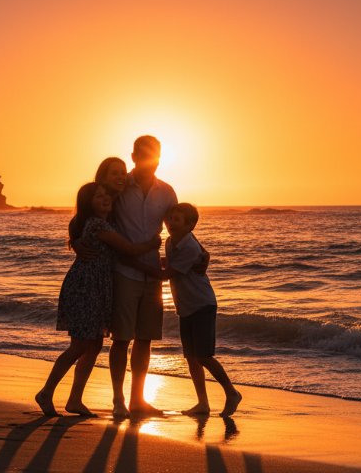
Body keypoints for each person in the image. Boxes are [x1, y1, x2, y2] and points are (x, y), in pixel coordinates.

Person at [35, 182, 160, 417]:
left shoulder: (103, 223)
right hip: (85, 287)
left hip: (98, 287)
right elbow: (129, 250)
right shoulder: (97, 224)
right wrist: (153, 244)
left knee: (94, 345)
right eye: (98, 197)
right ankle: (46, 392)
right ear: (88, 203)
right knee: (80, 345)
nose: (105, 199)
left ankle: (75, 399)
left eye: (106, 195)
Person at [108, 136, 178, 417]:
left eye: (154, 154)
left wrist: (195, 256)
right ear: (134, 156)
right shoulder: (119, 187)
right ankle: (117, 400)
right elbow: (99, 217)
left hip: (152, 274)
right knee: (121, 339)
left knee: (145, 339)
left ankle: (138, 399)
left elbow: (177, 231)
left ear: (160, 157)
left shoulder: (167, 192)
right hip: (124, 272)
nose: (149, 159)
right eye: (143, 153)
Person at [162, 203, 241, 417]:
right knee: (191, 358)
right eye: (169, 219)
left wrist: (137, 265)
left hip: (202, 305)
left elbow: (168, 273)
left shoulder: (189, 246)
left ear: (190, 225)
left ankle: (231, 392)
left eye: (177, 220)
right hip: (185, 308)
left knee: (204, 356)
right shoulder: (170, 242)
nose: (171, 223)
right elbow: (169, 263)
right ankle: (202, 403)